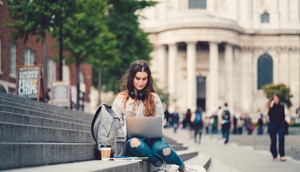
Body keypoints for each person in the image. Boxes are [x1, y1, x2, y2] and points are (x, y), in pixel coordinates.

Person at [112, 60, 204, 172]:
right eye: (137, 78)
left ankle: (184, 168)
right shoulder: (121, 98)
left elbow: (161, 122)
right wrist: (129, 130)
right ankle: (162, 165)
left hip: (152, 139)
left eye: (144, 79)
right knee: (135, 142)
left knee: (163, 149)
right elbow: (115, 125)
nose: (141, 83)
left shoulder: (154, 98)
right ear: (132, 78)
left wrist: (152, 130)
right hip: (131, 142)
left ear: (148, 79)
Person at [267, 95, 286, 161]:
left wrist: (283, 123)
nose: (276, 100)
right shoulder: (271, 107)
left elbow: (283, 115)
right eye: (275, 99)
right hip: (273, 125)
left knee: (281, 139)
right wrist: (271, 107)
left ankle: (282, 155)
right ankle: (274, 154)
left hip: (281, 125)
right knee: (273, 141)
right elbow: (269, 115)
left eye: (277, 99)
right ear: (272, 100)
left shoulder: (282, 106)